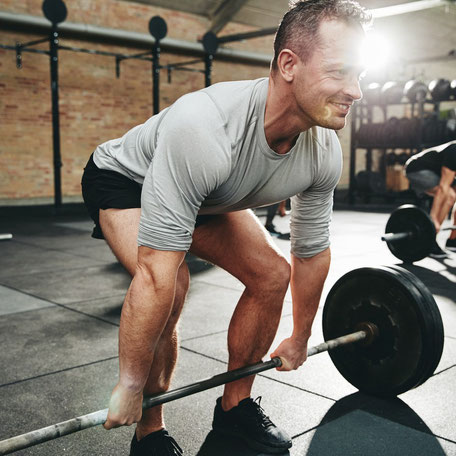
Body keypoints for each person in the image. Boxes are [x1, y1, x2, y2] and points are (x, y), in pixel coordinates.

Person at [81, 0, 371, 454]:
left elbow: (310, 252)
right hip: (126, 181)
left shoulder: (323, 150)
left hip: (212, 191)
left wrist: (300, 336)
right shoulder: (206, 127)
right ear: (289, 64)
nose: (355, 91)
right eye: (340, 72)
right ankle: (150, 432)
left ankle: (235, 409)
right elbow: (156, 273)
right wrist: (130, 383)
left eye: (361, 75)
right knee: (172, 283)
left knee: (272, 275)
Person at [405, 140, 456, 257]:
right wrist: (433, 218)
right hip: (416, 168)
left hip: (435, 173)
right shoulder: (454, 151)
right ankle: (431, 237)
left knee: (452, 194)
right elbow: (443, 187)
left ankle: (452, 240)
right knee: (450, 195)